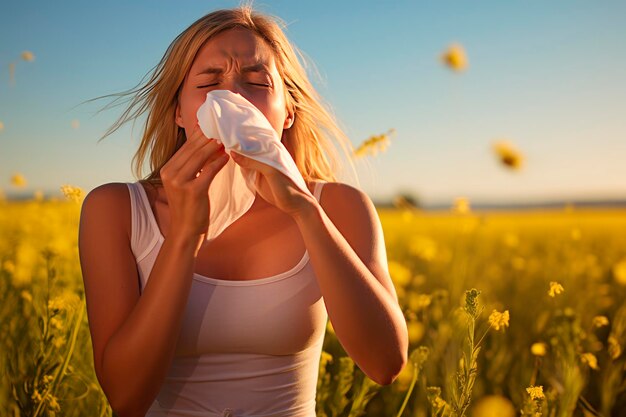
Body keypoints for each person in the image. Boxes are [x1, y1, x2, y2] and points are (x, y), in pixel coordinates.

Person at [78, 4, 408, 417]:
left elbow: (385, 364)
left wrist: (305, 211)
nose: (232, 96)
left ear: (287, 112)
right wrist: (184, 236)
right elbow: (125, 399)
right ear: (179, 112)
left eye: (255, 81)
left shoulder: (339, 206)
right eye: (210, 82)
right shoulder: (116, 209)